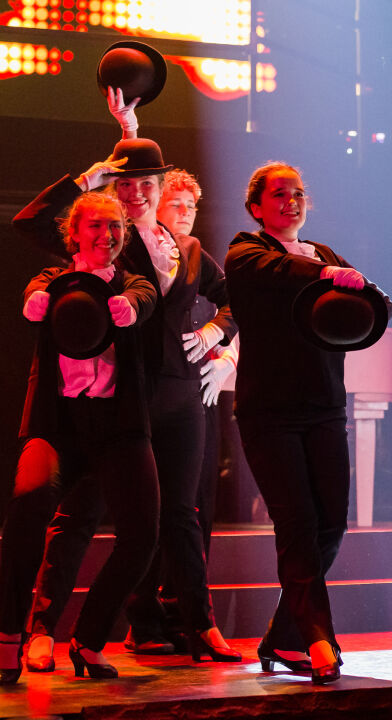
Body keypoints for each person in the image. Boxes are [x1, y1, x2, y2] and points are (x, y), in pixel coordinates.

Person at [12, 127, 240, 666]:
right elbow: (37, 228)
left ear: (161, 186)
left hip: (178, 394)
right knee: (79, 514)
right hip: (119, 397)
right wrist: (101, 167)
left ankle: (198, 624)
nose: (136, 193)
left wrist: (216, 338)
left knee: (177, 515)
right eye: (125, 184)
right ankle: (43, 628)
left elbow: (230, 301)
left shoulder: (185, 247)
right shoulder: (109, 238)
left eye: (146, 183)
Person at [225, 162, 392, 684]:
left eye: (298, 193)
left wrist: (370, 295)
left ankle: (283, 637)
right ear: (257, 207)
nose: (291, 201)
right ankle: (319, 640)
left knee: (331, 524)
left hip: (324, 408)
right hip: (269, 414)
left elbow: (365, 296)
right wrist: (326, 274)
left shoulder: (323, 254)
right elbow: (278, 273)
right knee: (297, 525)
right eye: (279, 194)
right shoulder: (245, 251)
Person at [0, 193, 159, 683]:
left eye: (114, 227)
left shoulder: (131, 282)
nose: (106, 235)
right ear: (74, 233)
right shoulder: (53, 279)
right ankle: (9, 636)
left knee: (143, 532)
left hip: (117, 430)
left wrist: (129, 305)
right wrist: (36, 303)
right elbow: (34, 297)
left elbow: (144, 298)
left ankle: (89, 640)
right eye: (95, 226)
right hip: (58, 426)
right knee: (28, 504)